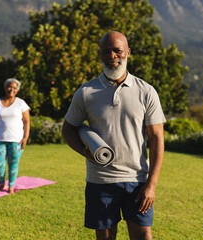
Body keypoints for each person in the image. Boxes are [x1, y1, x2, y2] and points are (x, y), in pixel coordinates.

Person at [61, 31, 166, 240]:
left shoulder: (146, 92)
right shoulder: (85, 92)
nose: (112, 55)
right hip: (100, 181)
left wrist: (151, 185)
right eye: (105, 51)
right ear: (100, 55)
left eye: (117, 50)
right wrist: (86, 152)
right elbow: (68, 129)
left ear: (127, 52)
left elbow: (156, 139)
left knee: (143, 236)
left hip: (137, 181)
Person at [0, 78, 30, 194]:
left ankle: (11, 186)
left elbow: (26, 121)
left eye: (15, 88)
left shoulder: (21, 103)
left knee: (13, 164)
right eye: (10, 87)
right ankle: (2, 184)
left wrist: (25, 138)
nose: (12, 89)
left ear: (17, 90)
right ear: (5, 88)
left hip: (16, 140)